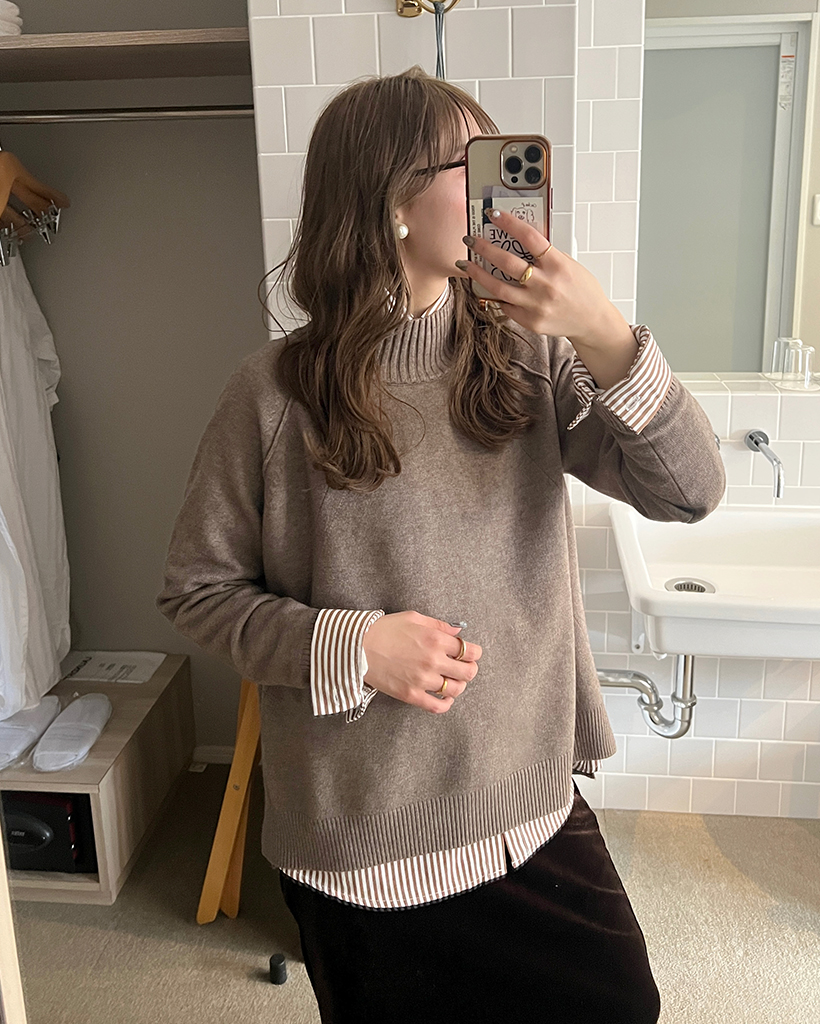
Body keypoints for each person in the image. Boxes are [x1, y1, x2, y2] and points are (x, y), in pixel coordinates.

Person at [156, 66, 725, 1023]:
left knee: (622, 1006)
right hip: (366, 843)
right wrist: (352, 646)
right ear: (390, 203)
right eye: (470, 164)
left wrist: (606, 335)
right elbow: (196, 591)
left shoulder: (531, 354)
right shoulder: (271, 395)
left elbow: (690, 490)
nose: (500, 185)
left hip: (531, 809)